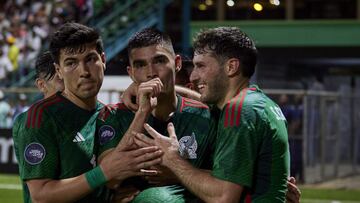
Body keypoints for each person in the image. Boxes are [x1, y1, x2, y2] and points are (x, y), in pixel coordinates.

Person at [135, 27, 292, 202]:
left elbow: (223, 197)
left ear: (231, 67)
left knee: (153, 199)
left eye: (201, 66)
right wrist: (137, 89)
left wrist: (172, 159)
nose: (193, 76)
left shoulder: (239, 110)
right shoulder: (261, 104)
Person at [12, 22, 163, 203]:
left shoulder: (109, 115)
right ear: (59, 71)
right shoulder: (42, 116)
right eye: (71, 63)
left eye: (90, 59)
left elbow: (114, 176)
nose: (84, 71)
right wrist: (103, 174)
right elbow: (41, 196)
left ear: (103, 60)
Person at [96, 27, 215, 202]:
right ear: (131, 73)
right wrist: (142, 112)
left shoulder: (204, 116)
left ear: (177, 63)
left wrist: (178, 172)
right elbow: (110, 179)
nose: (150, 72)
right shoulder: (113, 115)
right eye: (140, 65)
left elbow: (226, 180)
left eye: (159, 61)